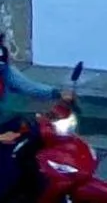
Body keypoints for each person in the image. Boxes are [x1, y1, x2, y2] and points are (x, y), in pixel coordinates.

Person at [0, 57, 61, 198]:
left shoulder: (4, 69)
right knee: (7, 171)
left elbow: (27, 86)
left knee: (38, 144)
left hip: (8, 123)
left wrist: (57, 93)